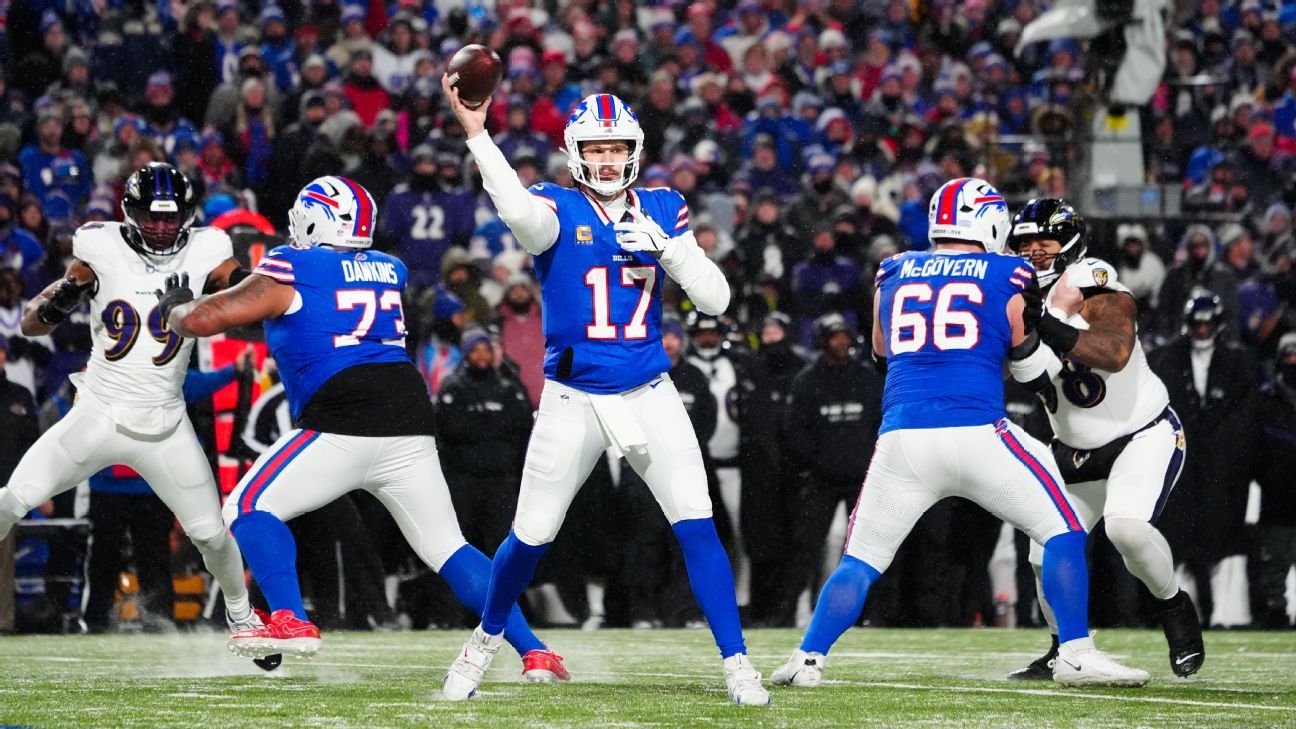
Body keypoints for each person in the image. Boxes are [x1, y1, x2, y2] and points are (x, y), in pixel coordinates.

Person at [158, 176, 568, 683]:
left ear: (314, 221)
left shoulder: (293, 264)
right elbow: (299, 303)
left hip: (345, 413)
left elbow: (208, 319)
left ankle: (289, 617)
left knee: (247, 508)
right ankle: (535, 651)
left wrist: (175, 309)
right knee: (448, 547)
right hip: (408, 416)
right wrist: (238, 279)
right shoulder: (389, 268)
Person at [440, 77, 768, 706]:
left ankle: (737, 662)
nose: (609, 159)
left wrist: (670, 253)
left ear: (635, 151)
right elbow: (517, 213)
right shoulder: (555, 206)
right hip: (573, 396)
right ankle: (483, 641)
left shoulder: (663, 208)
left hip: (648, 389)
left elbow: (716, 300)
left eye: (618, 147)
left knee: (697, 522)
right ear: (575, 153)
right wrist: (478, 136)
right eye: (597, 148)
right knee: (530, 535)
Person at [771, 177, 1149, 689]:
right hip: (976, 430)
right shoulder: (1010, 272)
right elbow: (1026, 365)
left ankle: (807, 658)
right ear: (991, 224)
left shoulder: (893, 270)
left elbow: (881, 354)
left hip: (903, 437)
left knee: (860, 559)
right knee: (1062, 530)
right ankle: (1076, 654)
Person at [0, 163, 257, 643]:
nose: (160, 227)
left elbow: (250, 299)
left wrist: (227, 297)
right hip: (98, 415)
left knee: (211, 534)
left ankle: (243, 617)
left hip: (166, 426)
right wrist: (59, 301)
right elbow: (31, 323)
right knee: (11, 501)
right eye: (151, 217)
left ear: (187, 215)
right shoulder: (101, 247)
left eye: (170, 217)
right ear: (129, 214)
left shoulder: (207, 249)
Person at [1002, 198, 1203, 681]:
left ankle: (1174, 605)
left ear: (1070, 242)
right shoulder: (1012, 296)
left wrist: (1045, 323)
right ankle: (1064, 648)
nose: (1034, 251)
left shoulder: (1091, 281)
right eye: (1025, 242)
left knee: (1126, 530)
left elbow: (1114, 352)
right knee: (1042, 550)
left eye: (1045, 240)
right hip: (1073, 448)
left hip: (1140, 433)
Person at [774, 313, 883, 626]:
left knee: (868, 548)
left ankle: (872, 615)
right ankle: (789, 612)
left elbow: (880, 423)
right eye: (835, 337)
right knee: (805, 547)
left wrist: (865, 459)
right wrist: (819, 462)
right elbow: (794, 430)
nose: (842, 342)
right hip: (821, 478)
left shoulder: (866, 379)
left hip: (861, 478)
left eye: (844, 336)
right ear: (822, 341)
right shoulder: (806, 381)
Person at [0, 335, 38, 634]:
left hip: (6, 491)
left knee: (3, 564)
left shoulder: (20, 395)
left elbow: (32, 446)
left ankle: (3, 623)